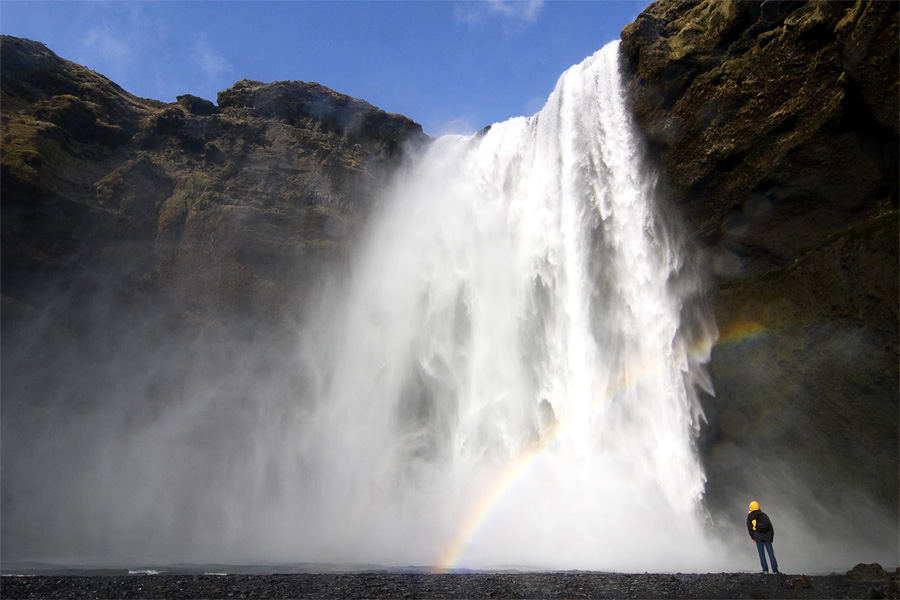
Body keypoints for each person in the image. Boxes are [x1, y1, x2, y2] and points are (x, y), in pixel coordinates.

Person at [747, 500, 779, 574]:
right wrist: (771, 537)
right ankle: (775, 570)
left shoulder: (750, 515)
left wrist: (753, 537)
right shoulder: (764, 515)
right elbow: (770, 527)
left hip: (758, 537)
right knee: (771, 554)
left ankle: (765, 570)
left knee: (762, 554)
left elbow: (749, 528)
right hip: (767, 537)